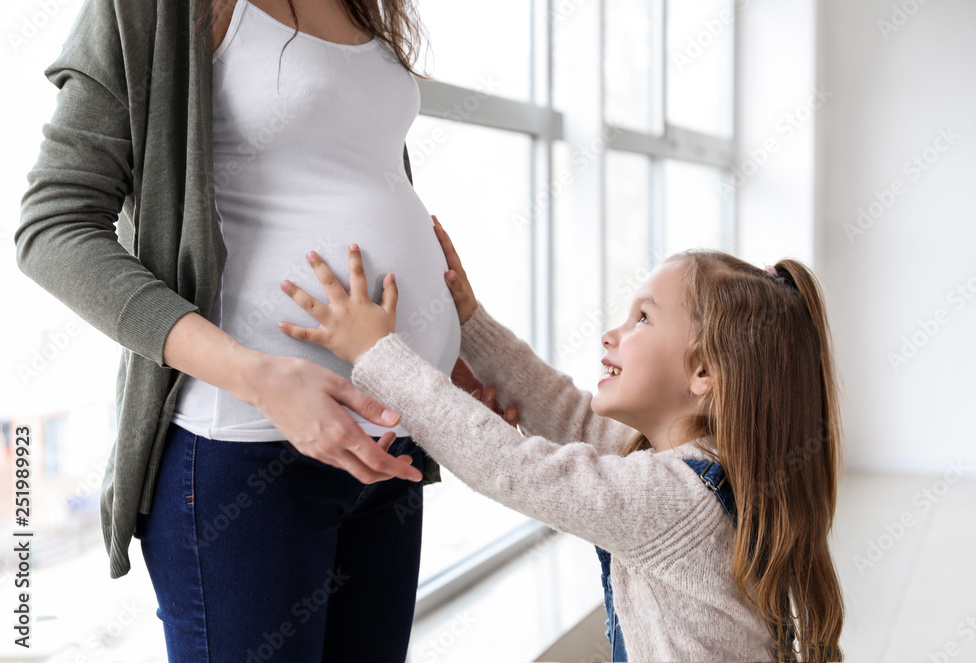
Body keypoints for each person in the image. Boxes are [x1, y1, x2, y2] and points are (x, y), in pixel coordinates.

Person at [15, 0, 515, 660]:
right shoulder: (157, 10)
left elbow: (353, 175)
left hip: (389, 435)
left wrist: (439, 360)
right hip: (249, 451)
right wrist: (260, 378)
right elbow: (52, 229)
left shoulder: (365, 5)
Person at [275, 217, 848, 661]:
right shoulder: (694, 463)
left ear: (703, 373)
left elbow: (514, 467)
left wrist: (379, 356)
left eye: (643, 319)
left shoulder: (674, 498)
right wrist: (470, 322)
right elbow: (569, 413)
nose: (612, 333)